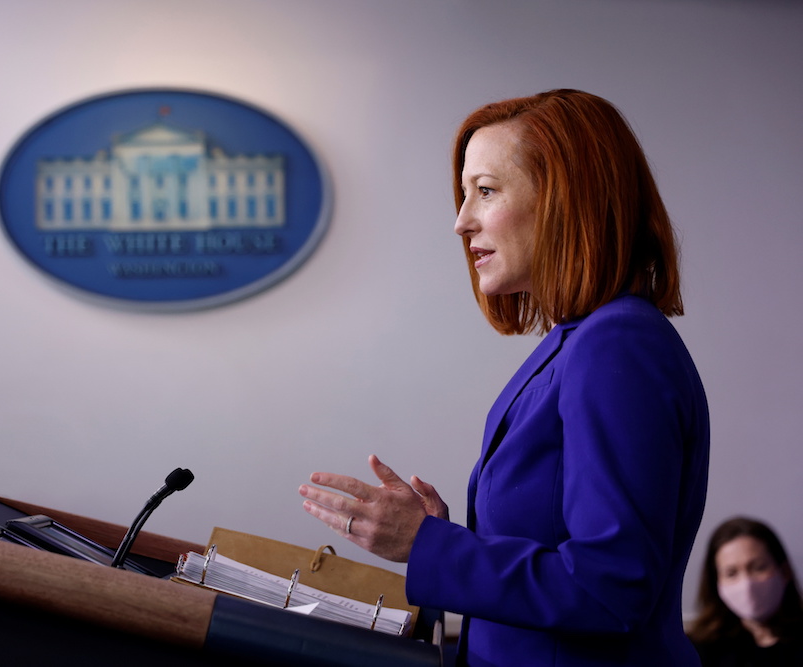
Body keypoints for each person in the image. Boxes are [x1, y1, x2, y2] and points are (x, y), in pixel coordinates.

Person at [298, 89, 710, 666]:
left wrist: (429, 547)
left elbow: (610, 589)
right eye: (465, 195)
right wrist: (444, 535)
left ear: (569, 200)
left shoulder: (618, 345)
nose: (462, 222)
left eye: (485, 192)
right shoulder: (579, 341)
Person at [687, 517, 803, 666]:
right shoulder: (696, 649)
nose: (746, 584)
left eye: (759, 568)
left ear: (784, 572)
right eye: (731, 573)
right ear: (716, 582)